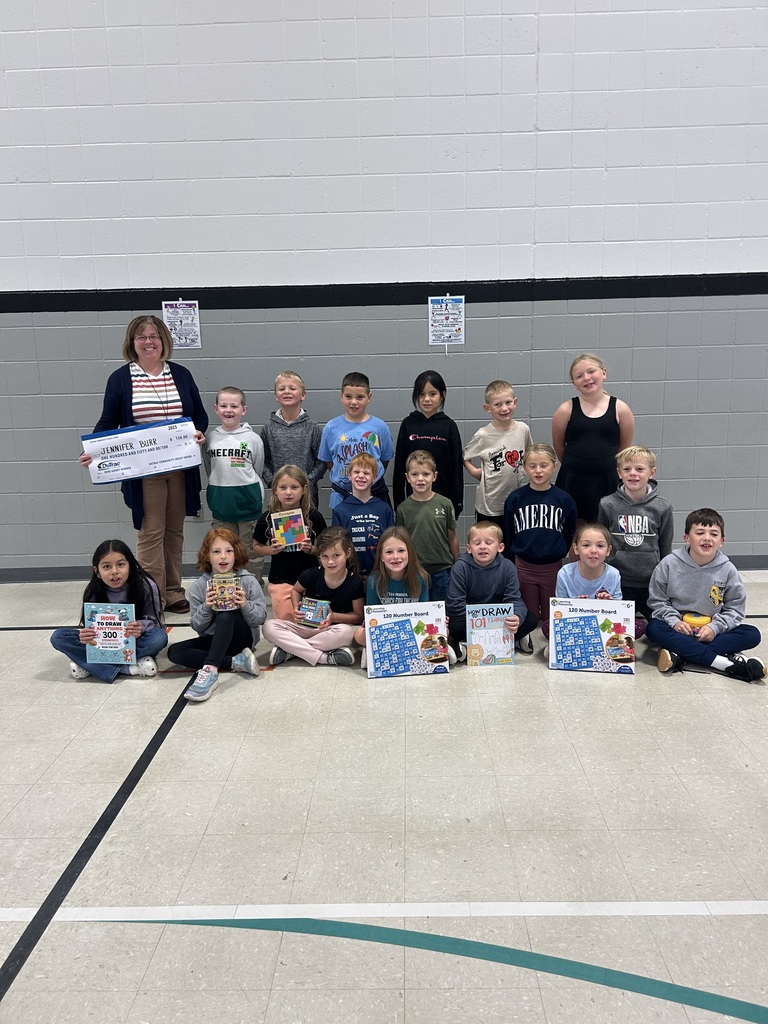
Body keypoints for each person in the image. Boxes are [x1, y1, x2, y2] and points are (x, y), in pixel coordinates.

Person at [79, 315, 208, 613]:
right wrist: (93, 451)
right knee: (151, 533)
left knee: (175, 531)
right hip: (144, 472)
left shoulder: (181, 374)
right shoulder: (121, 378)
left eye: (154, 336)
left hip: (179, 468)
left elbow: (199, 415)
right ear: (132, 343)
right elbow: (109, 421)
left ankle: (174, 591)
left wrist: (198, 432)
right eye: (142, 337)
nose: (149, 342)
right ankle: (153, 595)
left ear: (164, 340)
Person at [646, 508, 766, 682]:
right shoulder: (669, 564)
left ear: (722, 541)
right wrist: (675, 622)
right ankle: (724, 663)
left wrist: (714, 628)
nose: (707, 538)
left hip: (710, 630)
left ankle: (680, 655)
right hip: (679, 628)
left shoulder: (728, 569)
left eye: (714, 534)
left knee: (752, 634)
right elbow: (657, 601)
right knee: (653, 629)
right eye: (700, 532)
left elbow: (735, 609)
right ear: (687, 538)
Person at [167, 528, 266, 702]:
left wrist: (244, 604)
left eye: (229, 551)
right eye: (216, 551)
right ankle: (235, 662)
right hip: (214, 640)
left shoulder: (248, 580)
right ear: (207, 556)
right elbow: (197, 626)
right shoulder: (200, 586)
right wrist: (207, 607)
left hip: (242, 639)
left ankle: (211, 670)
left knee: (226, 615)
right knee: (175, 652)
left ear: (236, 554)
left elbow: (260, 618)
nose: (223, 557)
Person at [50, 539, 167, 682]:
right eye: (106, 567)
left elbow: (154, 622)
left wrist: (140, 627)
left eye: (121, 565)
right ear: (97, 571)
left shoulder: (146, 586)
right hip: (104, 643)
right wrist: (86, 635)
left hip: (134, 640)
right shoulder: (93, 591)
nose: (114, 572)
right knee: (58, 637)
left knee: (159, 638)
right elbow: (90, 626)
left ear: (130, 566)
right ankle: (127, 668)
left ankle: (90, 665)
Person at [503, 443, 577, 648]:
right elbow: (508, 529)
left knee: (550, 618)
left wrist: (562, 550)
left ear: (554, 466)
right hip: (524, 565)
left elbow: (570, 530)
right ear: (524, 467)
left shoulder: (564, 499)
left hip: (552, 566)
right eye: (532, 466)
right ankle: (524, 641)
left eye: (543, 465)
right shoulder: (516, 498)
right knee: (529, 616)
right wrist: (513, 552)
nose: (538, 471)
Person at [262, 526, 365, 667]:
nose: (330, 562)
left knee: (346, 633)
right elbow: (296, 590)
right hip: (303, 627)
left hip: (329, 631)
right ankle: (323, 657)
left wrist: (334, 617)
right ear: (319, 556)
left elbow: (358, 616)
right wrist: (295, 608)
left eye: (336, 555)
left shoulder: (354, 582)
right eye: (325, 556)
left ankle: (291, 650)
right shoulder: (311, 574)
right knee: (268, 627)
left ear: (347, 553)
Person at [551, 353, 634, 523]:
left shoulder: (621, 409)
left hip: (607, 479)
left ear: (603, 372)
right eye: (579, 376)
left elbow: (623, 449)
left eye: (591, 372)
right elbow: (559, 447)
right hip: (574, 480)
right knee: (575, 530)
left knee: (605, 528)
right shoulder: (565, 409)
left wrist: (602, 464)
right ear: (574, 384)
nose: (586, 378)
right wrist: (578, 464)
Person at [597, 445, 674, 621]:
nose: (633, 473)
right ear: (619, 473)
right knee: (614, 628)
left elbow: (665, 544)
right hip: (618, 580)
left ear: (651, 472)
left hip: (650, 580)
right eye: (627, 469)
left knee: (660, 628)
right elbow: (601, 542)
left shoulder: (663, 507)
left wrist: (663, 576)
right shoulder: (606, 504)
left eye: (640, 469)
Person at [447, 521, 537, 660]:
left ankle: (513, 640)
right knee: (455, 627)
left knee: (531, 619)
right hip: (471, 620)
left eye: (488, 542)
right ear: (469, 548)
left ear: (500, 547)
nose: (483, 547)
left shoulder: (508, 567)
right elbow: (455, 605)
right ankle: (510, 641)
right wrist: (482, 621)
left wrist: (516, 618)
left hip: (499, 619)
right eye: (477, 543)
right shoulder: (460, 568)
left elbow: (514, 599)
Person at [204, 386, 265, 583]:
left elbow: (258, 469)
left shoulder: (253, 439)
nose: (228, 410)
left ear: (243, 410)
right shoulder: (210, 438)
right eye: (224, 405)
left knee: (250, 551)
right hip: (222, 505)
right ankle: (226, 588)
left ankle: (252, 586)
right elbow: (209, 468)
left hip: (248, 504)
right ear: (216, 409)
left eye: (234, 406)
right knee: (223, 549)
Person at [252, 465, 327, 621]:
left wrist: (311, 549)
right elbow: (256, 546)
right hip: (281, 579)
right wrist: (270, 550)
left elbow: (325, 549)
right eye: (283, 487)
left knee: (312, 622)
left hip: (310, 578)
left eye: (294, 487)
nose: (288, 492)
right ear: (275, 490)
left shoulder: (314, 517)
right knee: (287, 622)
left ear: (304, 489)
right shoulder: (267, 518)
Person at [353, 525, 431, 668]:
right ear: (381, 556)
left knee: (444, 630)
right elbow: (372, 614)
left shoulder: (421, 578)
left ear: (410, 553)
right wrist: (369, 622)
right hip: (386, 633)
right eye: (389, 552)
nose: (396, 557)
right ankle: (374, 652)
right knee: (359, 634)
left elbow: (425, 615)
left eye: (401, 551)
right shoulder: (374, 581)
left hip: (413, 631)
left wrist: (437, 621)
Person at [393, 370, 464, 518]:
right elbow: (399, 465)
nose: (427, 399)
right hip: (413, 500)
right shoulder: (408, 424)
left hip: (442, 499)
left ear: (442, 394)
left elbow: (456, 468)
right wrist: (399, 502)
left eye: (432, 394)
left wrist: (456, 503)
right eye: (421, 394)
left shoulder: (449, 426)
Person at [318, 371, 394, 510]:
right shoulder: (331, 428)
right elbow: (329, 461)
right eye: (348, 396)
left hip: (374, 493)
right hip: (342, 495)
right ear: (341, 396)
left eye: (360, 397)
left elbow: (384, 459)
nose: (354, 402)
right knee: (341, 532)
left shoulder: (380, 427)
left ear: (369, 397)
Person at [462, 380, 532, 530]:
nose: (504, 408)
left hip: (516, 500)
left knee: (511, 545)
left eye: (508, 402)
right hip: (490, 505)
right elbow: (464, 455)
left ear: (515, 402)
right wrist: (475, 472)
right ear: (487, 408)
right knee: (489, 544)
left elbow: (530, 454)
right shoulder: (483, 435)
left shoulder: (523, 430)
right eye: (497, 404)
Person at [395, 450, 459, 602]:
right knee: (419, 612)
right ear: (407, 478)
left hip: (442, 569)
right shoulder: (403, 509)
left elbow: (452, 537)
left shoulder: (445, 503)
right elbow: (401, 542)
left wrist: (457, 564)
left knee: (442, 612)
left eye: (425, 474)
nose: (420, 479)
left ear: (434, 476)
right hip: (415, 570)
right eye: (415, 474)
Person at [261, 370, 326, 510]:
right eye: (282, 388)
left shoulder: (312, 427)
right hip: (280, 496)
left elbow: (321, 461)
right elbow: (263, 461)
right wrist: (274, 483)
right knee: (284, 532)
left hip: (308, 496)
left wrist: (307, 482)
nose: (287, 392)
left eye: (292, 388)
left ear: (303, 395)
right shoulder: (268, 428)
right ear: (276, 396)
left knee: (308, 529)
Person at [332, 452, 395, 577]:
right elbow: (336, 546)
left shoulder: (384, 508)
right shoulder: (340, 510)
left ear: (374, 477)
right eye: (356, 472)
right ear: (349, 475)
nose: (361, 476)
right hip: (350, 575)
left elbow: (391, 543)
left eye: (366, 473)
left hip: (380, 574)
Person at [556, 522, 622, 601]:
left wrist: (609, 604)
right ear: (576, 549)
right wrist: (575, 607)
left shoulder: (614, 575)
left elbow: (619, 609)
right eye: (586, 545)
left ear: (608, 550)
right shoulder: (565, 574)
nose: (593, 551)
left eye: (600, 546)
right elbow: (560, 609)